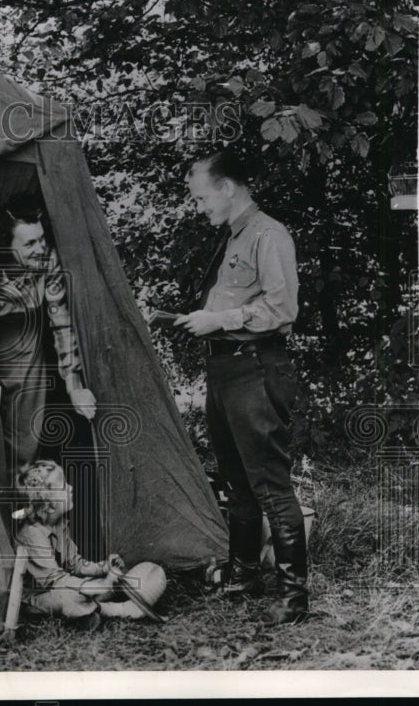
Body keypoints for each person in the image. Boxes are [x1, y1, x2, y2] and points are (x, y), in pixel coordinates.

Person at [173, 150, 309, 625]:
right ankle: (243, 578)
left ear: (228, 188)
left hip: (255, 370)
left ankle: (293, 600)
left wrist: (218, 319)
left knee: (271, 485)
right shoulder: (235, 236)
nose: (200, 207)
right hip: (225, 374)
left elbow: (282, 309)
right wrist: (201, 321)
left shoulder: (268, 235)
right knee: (237, 482)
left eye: (202, 197)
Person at [0, 201, 96, 468]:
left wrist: (73, 383)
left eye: (42, 239)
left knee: (28, 437)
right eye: (29, 244)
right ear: (7, 246)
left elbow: (62, 322)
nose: (40, 249)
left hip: (29, 354)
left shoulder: (48, 261)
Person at [14, 460, 167, 629]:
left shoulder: (59, 525)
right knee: (69, 596)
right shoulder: (31, 533)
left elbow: (76, 564)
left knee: (99, 582)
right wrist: (101, 586)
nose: (71, 487)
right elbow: (56, 581)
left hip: (62, 586)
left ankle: (89, 610)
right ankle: (117, 609)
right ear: (49, 506)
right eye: (64, 486)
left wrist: (103, 568)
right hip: (37, 600)